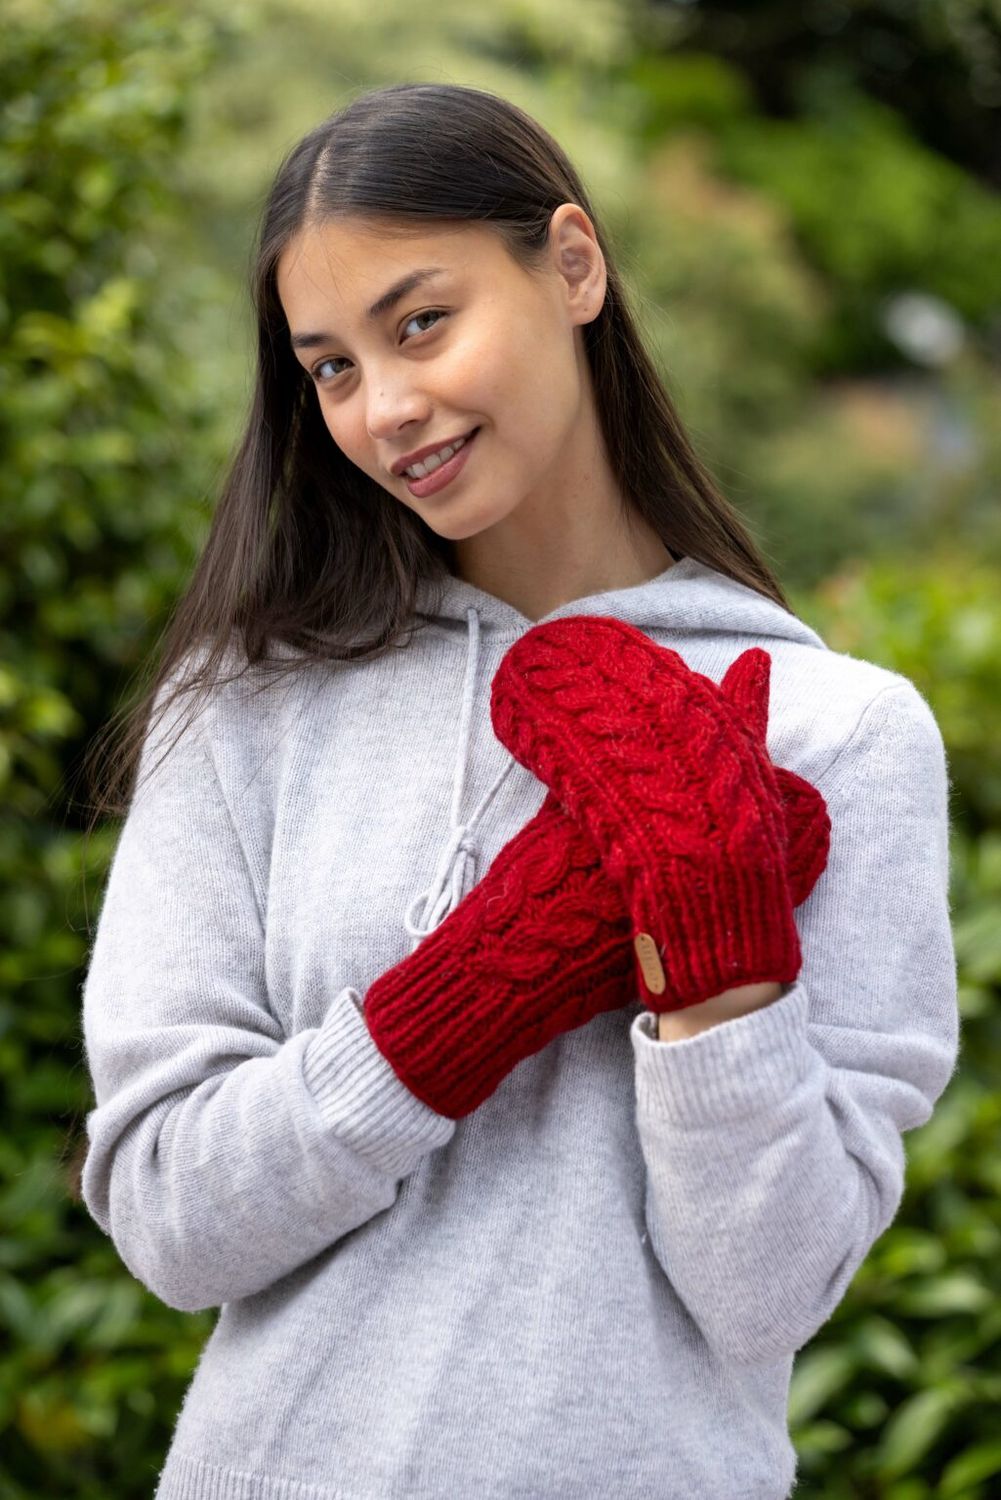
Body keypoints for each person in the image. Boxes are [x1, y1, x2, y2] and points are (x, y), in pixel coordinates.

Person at [78, 82, 959, 1500]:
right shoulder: (249, 712)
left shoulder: (835, 734)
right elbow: (171, 1218)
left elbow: (767, 1295)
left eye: (422, 322)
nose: (387, 407)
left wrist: (715, 954)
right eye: (332, 368)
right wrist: (484, 981)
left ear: (572, 266)